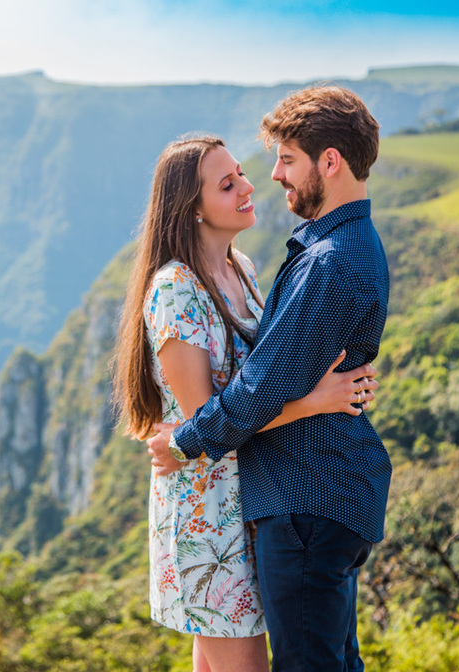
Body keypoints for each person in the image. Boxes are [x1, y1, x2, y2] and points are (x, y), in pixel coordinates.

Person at [145, 86, 391, 672]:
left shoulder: (305, 262)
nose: (267, 178)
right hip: (228, 500)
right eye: (229, 182)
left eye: (285, 159)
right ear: (194, 207)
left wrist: (182, 440)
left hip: (292, 496)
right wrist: (315, 398)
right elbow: (261, 385)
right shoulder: (188, 285)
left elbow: (258, 388)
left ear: (329, 162)